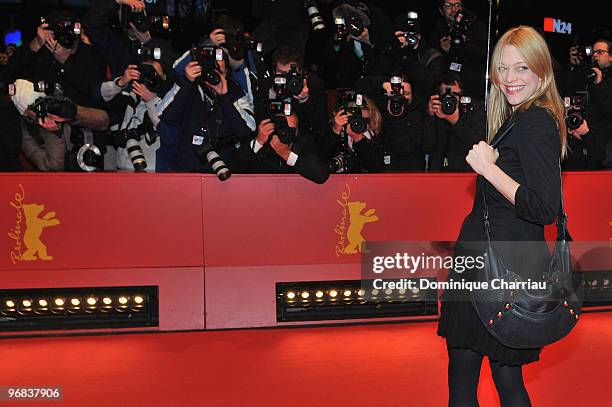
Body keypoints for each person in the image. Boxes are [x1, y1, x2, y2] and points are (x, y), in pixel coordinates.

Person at [437, 26, 567, 406]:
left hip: (498, 268)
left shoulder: (535, 121)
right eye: (503, 68)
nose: (510, 79)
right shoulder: (516, 118)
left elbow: (546, 208)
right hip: (494, 262)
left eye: (522, 68)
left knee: (465, 382)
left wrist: (489, 170)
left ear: (541, 72)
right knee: (503, 378)